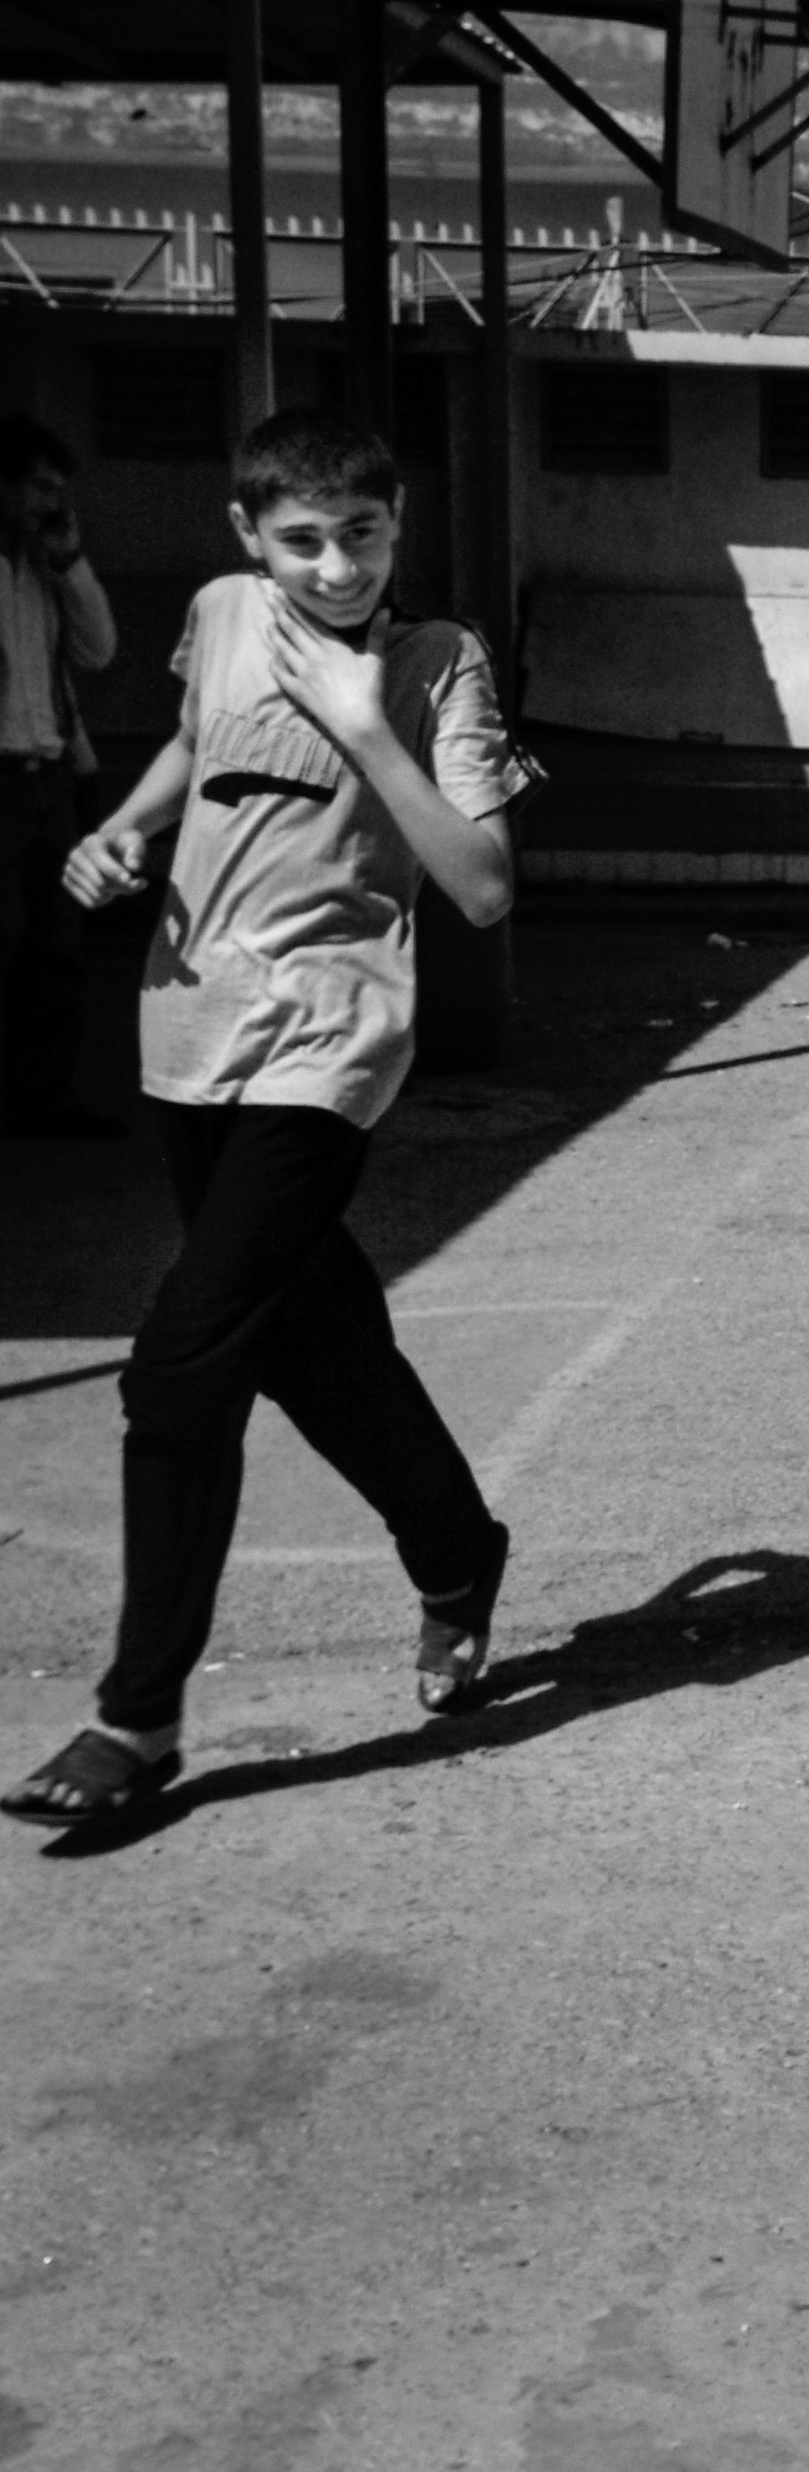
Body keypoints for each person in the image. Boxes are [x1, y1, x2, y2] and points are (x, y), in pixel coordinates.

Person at [1, 411, 531, 1828]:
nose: (338, 566)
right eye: (303, 540)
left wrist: (365, 723)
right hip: (190, 1026)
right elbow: (196, 742)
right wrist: (123, 831)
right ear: (250, 536)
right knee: (314, 1337)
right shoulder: (223, 612)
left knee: (184, 1365)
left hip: (328, 1038)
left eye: (363, 534)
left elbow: (483, 886)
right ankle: (457, 1548)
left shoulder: (439, 662)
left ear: (398, 523)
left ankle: (136, 1718)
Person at [0, 416, 118, 1136]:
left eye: (58, 490)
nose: (51, 503)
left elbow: (97, 652)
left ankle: (45, 1097)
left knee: (57, 944)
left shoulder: (44, 568)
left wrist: (71, 563)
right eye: (40, 487)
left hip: (49, 778)